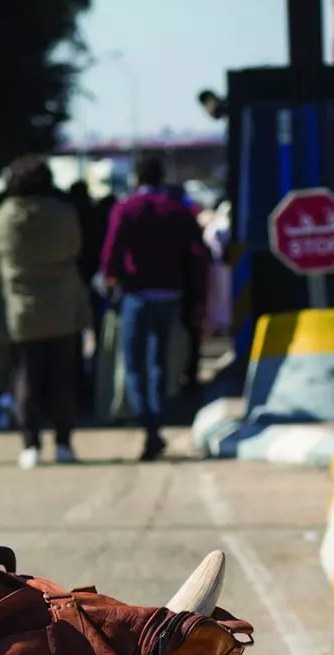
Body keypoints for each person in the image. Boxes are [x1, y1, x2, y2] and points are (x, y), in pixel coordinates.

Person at [100, 154, 209, 460]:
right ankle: (157, 419)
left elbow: (111, 254)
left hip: (137, 295)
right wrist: (197, 296)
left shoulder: (126, 208)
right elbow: (196, 254)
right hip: (170, 294)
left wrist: (110, 284)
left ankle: (148, 425)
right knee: (159, 362)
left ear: (136, 179)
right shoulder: (177, 210)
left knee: (134, 364)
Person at [0, 155, 86, 468]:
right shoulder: (64, 214)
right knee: (62, 378)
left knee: (26, 376)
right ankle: (63, 443)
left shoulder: (2, 218)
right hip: (62, 304)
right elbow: (76, 249)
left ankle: (30, 444)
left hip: (21, 307)